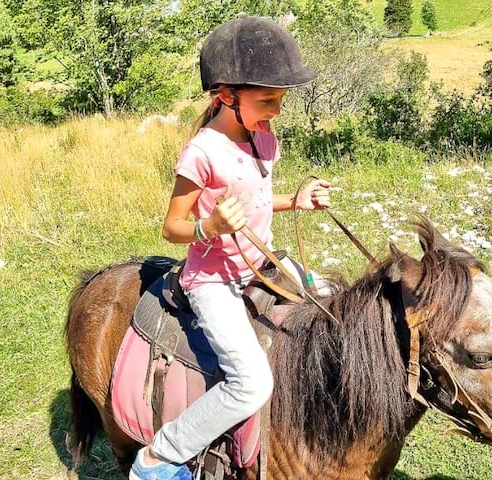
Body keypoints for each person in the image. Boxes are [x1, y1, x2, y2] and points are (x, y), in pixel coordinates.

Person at [129, 16, 332, 480]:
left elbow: (256, 201)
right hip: (214, 281)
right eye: (267, 101)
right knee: (252, 383)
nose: (276, 110)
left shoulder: (263, 137)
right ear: (225, 95)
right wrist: (211, 226)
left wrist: (294, 201)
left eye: (280, 100)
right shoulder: (201, 153)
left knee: (328, 302)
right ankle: (160, 456)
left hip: (261, 265)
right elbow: (173, 227)